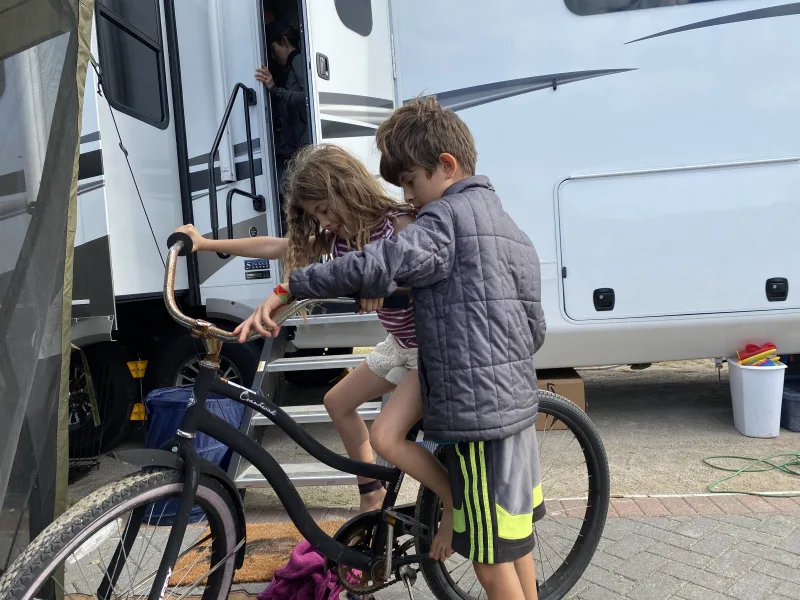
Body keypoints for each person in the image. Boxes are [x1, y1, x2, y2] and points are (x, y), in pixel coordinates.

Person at [235, 96, 546, 600]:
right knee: (513, 543)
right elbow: (534, 328)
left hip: (476, 415)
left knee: (489, 562)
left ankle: (445, 506)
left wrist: (292, 288)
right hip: (512, 403)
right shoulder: (505, 224)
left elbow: (377, 263)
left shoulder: (442, 220)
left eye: (409, 182)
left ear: (446, 167)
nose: (407, 196)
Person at [174, 147, 452, 555]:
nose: (323, 221)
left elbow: (427, 273)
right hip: (399, 345)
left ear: (348, 191)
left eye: (325, 209)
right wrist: (203, 243)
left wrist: (387, 287)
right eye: (315, 214)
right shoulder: (335, 238)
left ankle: (452, 502)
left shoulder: (397, 224)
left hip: (427, 350)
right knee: (337, 401)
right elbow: (278, 246)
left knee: (387, 438)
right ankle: (371, 492)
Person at [256, 21, 310, 234]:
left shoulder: (297, 59)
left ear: (285, 41)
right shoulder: (293, 66)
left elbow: (306, 98)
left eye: (274, 49)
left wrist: (274, 89)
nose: (275, 56)